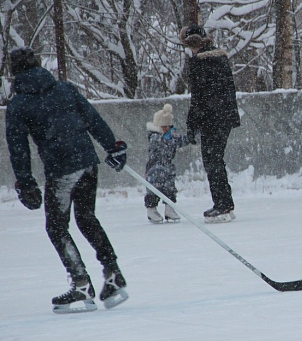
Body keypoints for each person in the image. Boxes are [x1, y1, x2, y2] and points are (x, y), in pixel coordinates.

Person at [5, 47, 129, 313]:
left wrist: (25, 182)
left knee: (57, 228)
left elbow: (18, 147)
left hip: (61, 170)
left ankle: (82, 285)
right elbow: (92, 119)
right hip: (87, 163)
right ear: (38, 64)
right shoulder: (64, 89)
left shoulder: (18, 104)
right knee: (86, 218)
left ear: (13, 72)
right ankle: (113, 274)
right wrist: (112, 146)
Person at [179, 24, 241, 223]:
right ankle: (226, 203)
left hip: (211, 119)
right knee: (217, 160)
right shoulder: (220, 58)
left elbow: (198, 97)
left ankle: (222, 205)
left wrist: (192, 124)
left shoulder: (199, 62)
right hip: (225, 117)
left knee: (212, 161)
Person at [144, 103, 193, 223]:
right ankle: (151, 210)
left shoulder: (170, 136)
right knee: (154, 189)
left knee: (170, 189)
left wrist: (191, 136)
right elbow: (165, 142)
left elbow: (179, 141)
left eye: (169, 126)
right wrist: (171, 138)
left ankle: (169, 209)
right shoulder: (154, 137)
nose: (167, 129)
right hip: (154, 168)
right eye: (164, 126)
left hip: (168, 167)